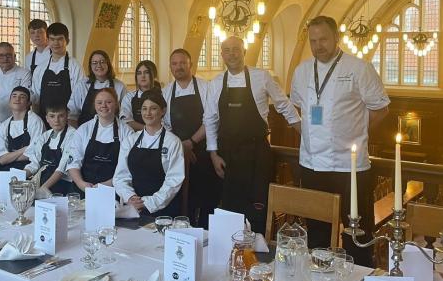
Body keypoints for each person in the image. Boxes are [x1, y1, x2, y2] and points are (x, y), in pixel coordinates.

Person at [290, 15, 389, 266]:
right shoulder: (302, 71)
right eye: (313, 41)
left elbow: (380, 110)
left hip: (350, 166)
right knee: (316, 231)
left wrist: (353, 132)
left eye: (323, 39)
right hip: (311, 164)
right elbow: (298, 107)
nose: (318, 46)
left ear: (337, 37)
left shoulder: (360, 68)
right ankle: (318, 278)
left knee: (358, 233)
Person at [204, 36, 301, 234]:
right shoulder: (216, 83)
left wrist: (304, 133)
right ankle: (231, 246)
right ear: (222, 55)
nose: (232, 54)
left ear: (244, 52)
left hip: (257, 152)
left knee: (259, 204)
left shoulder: (261, 77)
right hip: (228, 154)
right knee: (230, 206)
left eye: (236, 49)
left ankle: (259, 246)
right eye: (227, 50)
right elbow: (210, 119)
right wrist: (213, 154)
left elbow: (283, 104)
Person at [162, 48, 219, 228]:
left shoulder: (205, 87)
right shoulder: (166, 92)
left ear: (191, 65)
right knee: (183, 198)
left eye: (182, 63)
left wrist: (191, 142)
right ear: (170, 67)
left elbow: (211, 120)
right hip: (177, 153)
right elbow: (165, 125)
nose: (178, 67)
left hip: (203, 151)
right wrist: (181, 146)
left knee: (207, 198)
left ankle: (206, 232)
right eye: (174, 63)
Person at [114, 91, 185, 217]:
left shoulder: (173, 142)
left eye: (153, 108)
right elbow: (120, 176)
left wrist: (148, 203)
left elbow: (174, 180)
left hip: (164, 209)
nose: (148, 113)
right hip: (133, 208)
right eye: (144, 108)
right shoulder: (130, 140)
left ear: (163, 111)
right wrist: (130, 197)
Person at [66, 88, 133, 192]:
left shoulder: (127, 132)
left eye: (108, 102)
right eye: (99, 102)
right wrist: (81, 183)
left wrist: (105, 185)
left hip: (114, 190)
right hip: (84, 189)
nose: (103, 106)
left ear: (116, 104)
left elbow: (127, 168)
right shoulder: (83, 130)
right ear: (94, 105)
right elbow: (73, 162)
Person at [31, 22, 84, 126]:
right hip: (44, 122)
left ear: (67, 41)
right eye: (52, 39)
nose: (56, 43)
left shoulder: (75, 67)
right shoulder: (40, 69)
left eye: (60, 39)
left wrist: (72, 120)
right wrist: (37, 122)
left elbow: (79, 96)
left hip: (68, 122)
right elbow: (35, 99)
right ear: (47, 40)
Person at [24, 102, 76, 195]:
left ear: (67, 116)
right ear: (47, 118)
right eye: (52, 116)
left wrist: (43, 189)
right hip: (43, 180)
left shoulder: (73, 135)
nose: (56, 120)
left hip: (63, 185)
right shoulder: (45, 136)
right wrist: (19, 178)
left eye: (61, 116)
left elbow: (61, 169)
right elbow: (35, 163)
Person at [68, 50, 126, 127]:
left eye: (102, 62)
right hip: (85, 131)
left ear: (108, 64)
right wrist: (78, 132)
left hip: (112, 131)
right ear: (90, 66)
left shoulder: (119, 86)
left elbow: (125, 114)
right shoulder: (81, 85)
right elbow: (72, 115)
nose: (99, 65)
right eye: (94, 63)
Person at [0, 86, 45, 171]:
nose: (17, 99)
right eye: (14, 96)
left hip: (29, 168)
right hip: (5, 169)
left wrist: (9, 157)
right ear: (9, 102)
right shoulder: (4, 125)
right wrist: (24, 149)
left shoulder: (35, 121)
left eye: (22, 97)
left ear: (28, 103)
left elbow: (35, 153)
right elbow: (1, 159)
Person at [0, 42, 31, 121]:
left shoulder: (24, 73)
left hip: (17, 120)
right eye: (1, 56)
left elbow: (24, 98)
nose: (5, 59)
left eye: (8, 55)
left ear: (14, 57)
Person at [121, 60, 161, 131]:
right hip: (136, 136)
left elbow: (165, 121)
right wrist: (149, 130)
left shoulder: (162, 96)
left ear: (153, 75)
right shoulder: (129, 97)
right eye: (139, 73)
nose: (143, 76)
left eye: (146, 72)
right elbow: (127, 121)